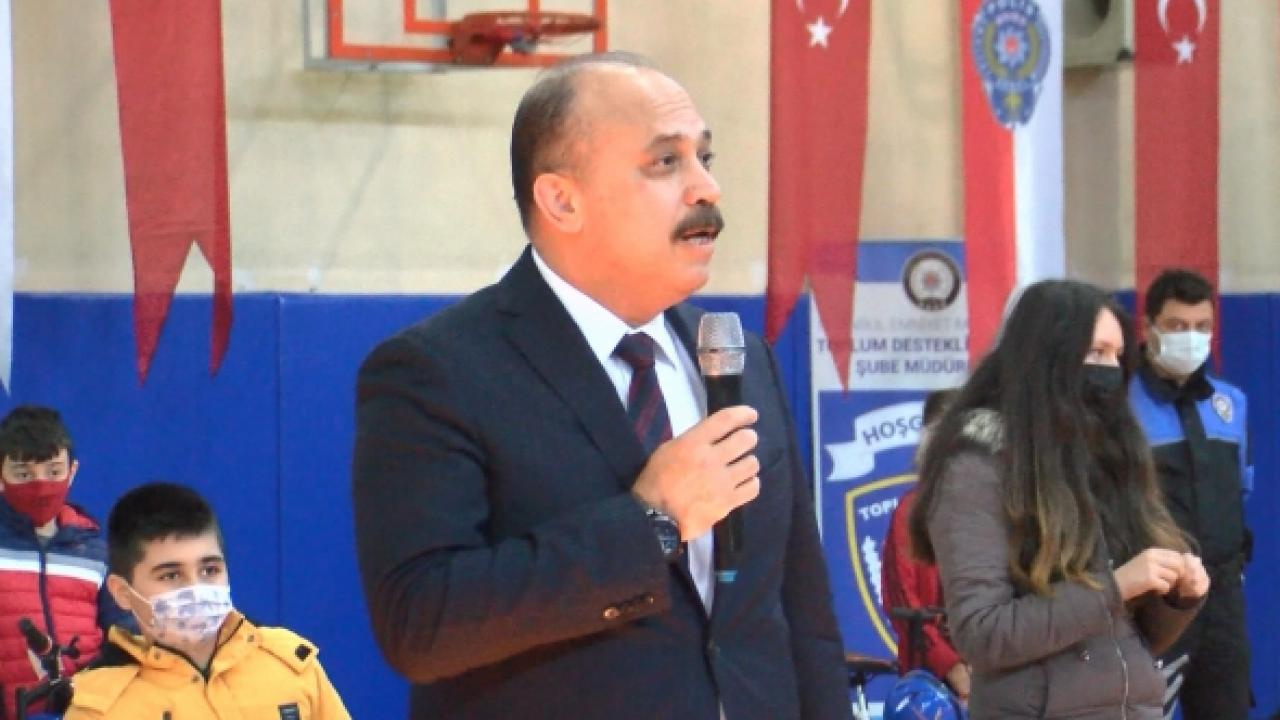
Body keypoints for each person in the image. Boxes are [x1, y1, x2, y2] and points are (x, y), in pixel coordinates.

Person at [352, 52, 850, 719]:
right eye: (666, 162)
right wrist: (652, 524)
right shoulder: (437, 372)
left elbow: (802, 616)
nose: (706, 187)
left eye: (704, 157)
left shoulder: (741, 361)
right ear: (562, 200)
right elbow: (422, 622)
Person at [908, 280, 1210, 719]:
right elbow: (983, 634)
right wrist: (1116, 588)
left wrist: (1176, 598)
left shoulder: (1107, 458)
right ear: (1047, 358)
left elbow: (1129, 638)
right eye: (1095, 353)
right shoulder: (975, 465)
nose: (1109, 370)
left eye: (1117, 356)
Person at [63, 482, 350, 719]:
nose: (196, 588)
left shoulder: (290, 665)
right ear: (123, 594)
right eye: (171, 575)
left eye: (210, 570)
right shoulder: (98, 708)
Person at [1129, 269, 1252, 719]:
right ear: (1149, 327)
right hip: (1151, 599)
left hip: (1222, 599)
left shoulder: (1230, 403)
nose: (1191, 337)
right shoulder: (1119, 405)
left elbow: (1240, 489)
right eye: (1177, 326)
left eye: (1202, 327)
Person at [0, 406, 126, 720]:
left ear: (72, 471)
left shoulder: (97, 551)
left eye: (53, 471)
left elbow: (125, 637)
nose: (41, 485)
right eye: (23, 474)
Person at [880, 388, 966, 699]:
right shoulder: (911, 513)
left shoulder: (995, 510)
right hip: (930, 683)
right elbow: (905, 605)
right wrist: (953, 668)